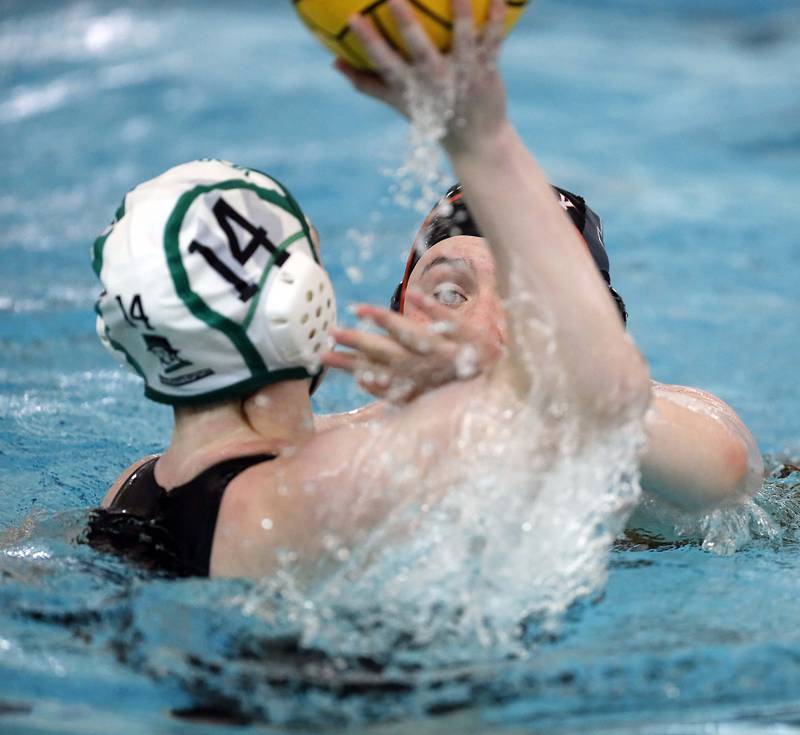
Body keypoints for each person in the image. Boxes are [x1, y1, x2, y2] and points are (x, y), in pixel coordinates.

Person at [89, 0, 655, 580]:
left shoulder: (133, 492)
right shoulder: (337, 482)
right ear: (300, 303)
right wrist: (479, 134)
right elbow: (608, 394)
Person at [320, 184, 763, 535]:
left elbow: (727, 474)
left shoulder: (642, 431)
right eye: (448, 294)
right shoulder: (345, 447)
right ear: (398, 319)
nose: (479, 328)